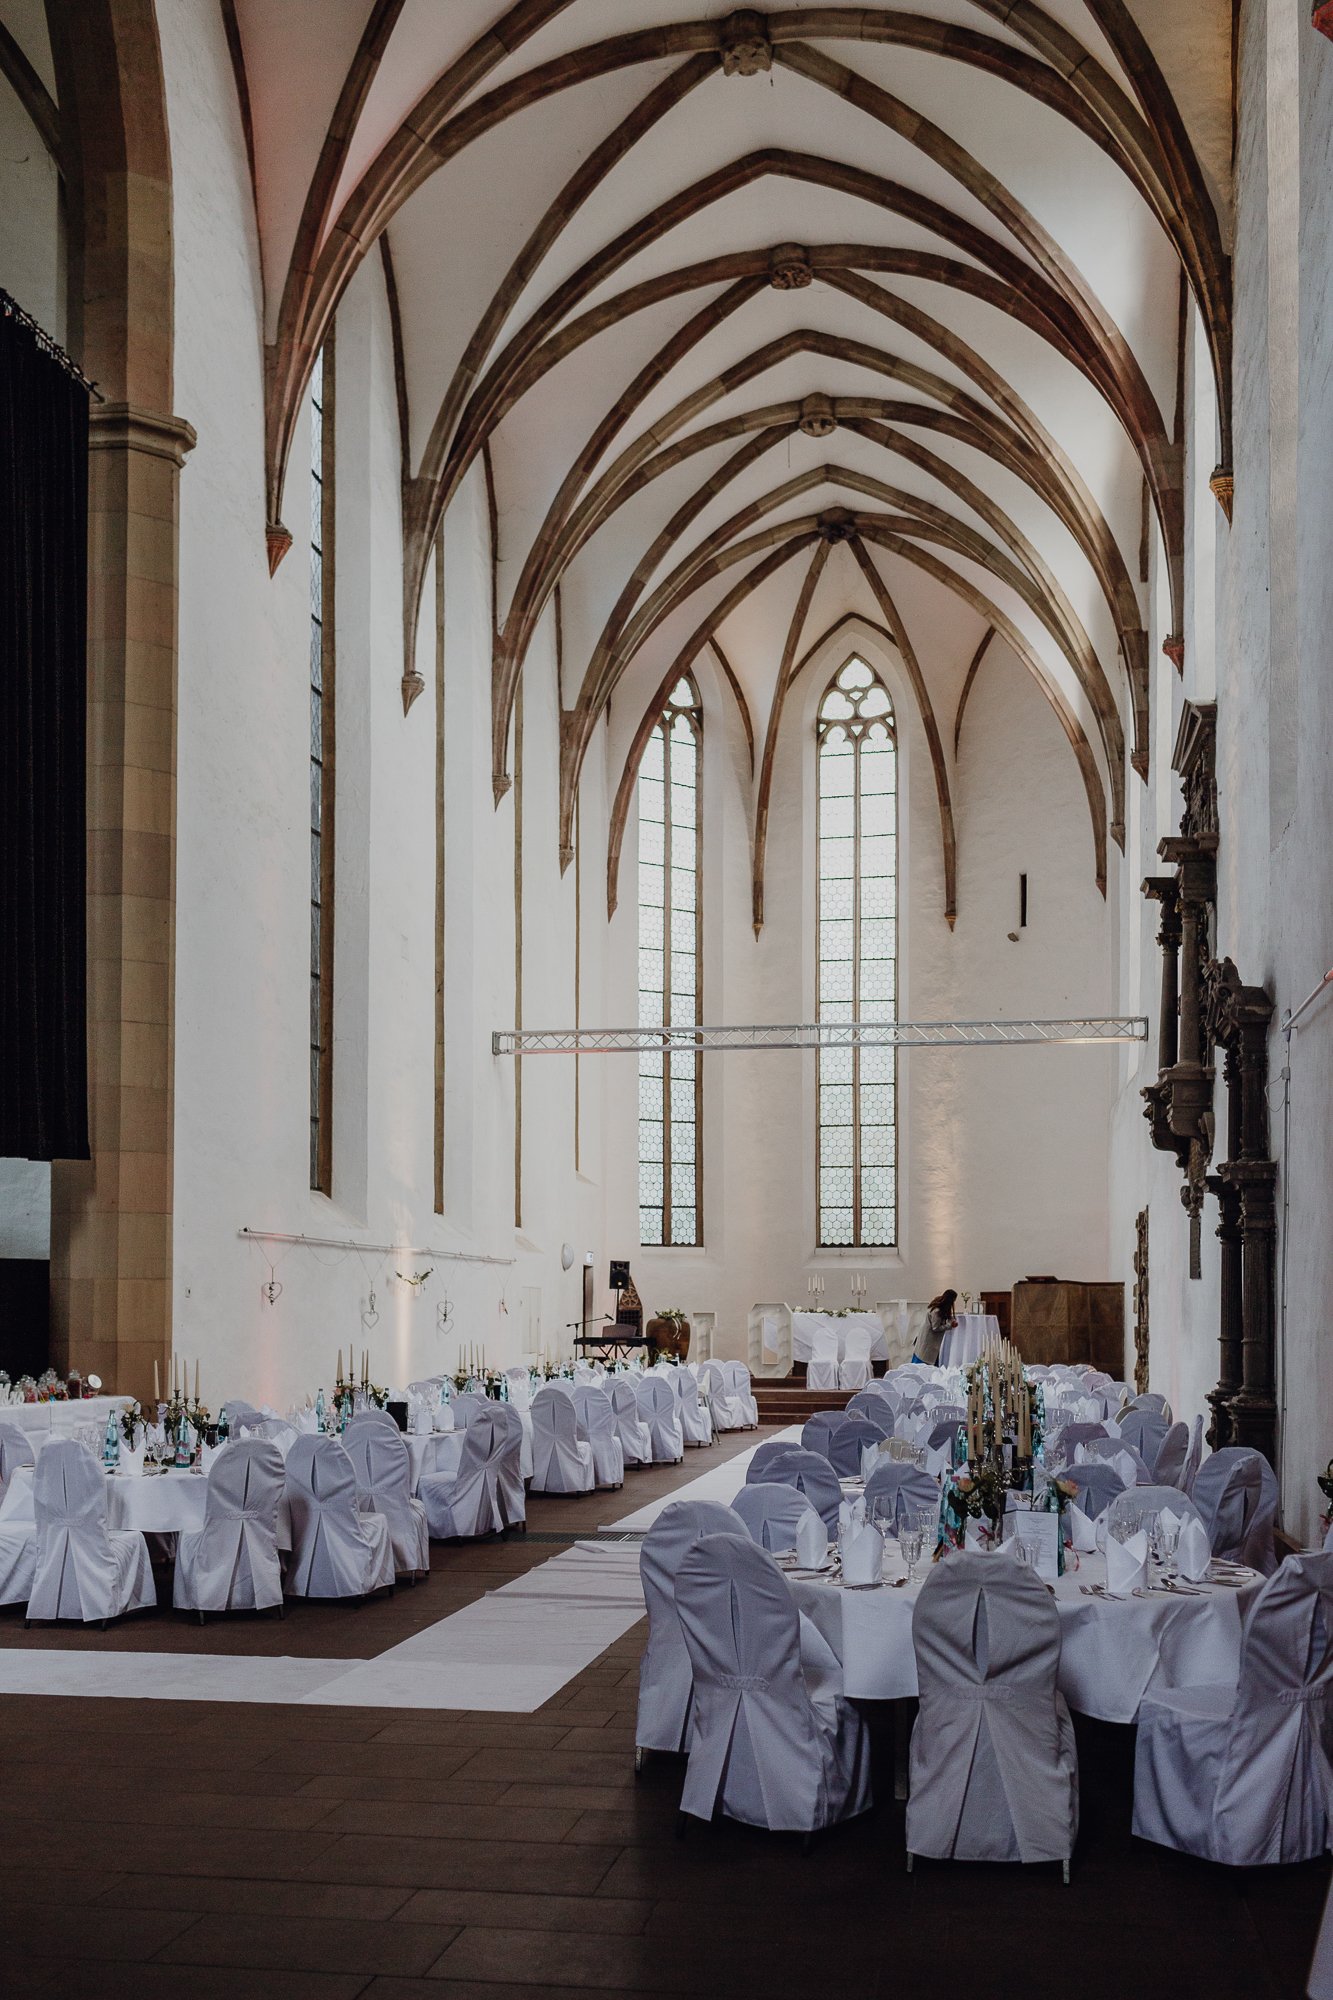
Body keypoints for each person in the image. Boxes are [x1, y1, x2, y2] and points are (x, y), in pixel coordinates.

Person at [912, 1290, 958, 1365]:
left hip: (929, 1342)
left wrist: (952, 1320)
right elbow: (935, 1327)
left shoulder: (940, 1308)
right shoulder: (937, 1311)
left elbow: (948, 1317)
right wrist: (949, 1326)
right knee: (923, 1364)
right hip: (928, 1341)